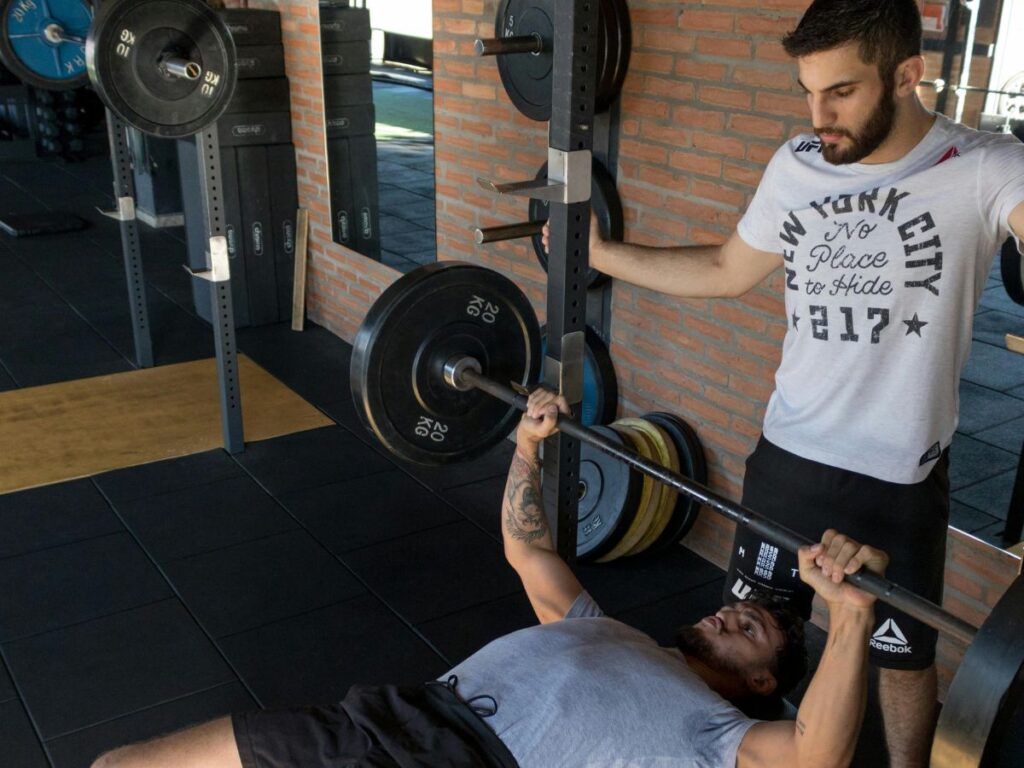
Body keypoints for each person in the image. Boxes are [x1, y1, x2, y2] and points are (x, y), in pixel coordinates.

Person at [542, 1, 1024, 765]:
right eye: (808, 90)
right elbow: (726, 270)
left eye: (841, 92)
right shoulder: (798, 162)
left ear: (907, 75)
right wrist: (602, 255)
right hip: (788, 459)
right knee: (750, 639)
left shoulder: (984, 168)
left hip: (896, 481)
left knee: (902, 662)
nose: (818, 113)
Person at [91, 389, 888, 768]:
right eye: (734, 611)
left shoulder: (722, 738)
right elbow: (526, 552)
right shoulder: (600, 625)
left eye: (751, 631)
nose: (727, 617)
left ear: (759, 685)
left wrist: (847, 618)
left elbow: (819, 753)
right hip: (388, 719)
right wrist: (529, 447)